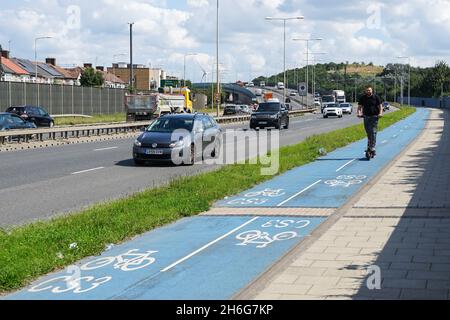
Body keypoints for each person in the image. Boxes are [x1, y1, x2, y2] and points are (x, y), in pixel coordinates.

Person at [357, 86, 383, 158]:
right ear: (365, 91)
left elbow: (380, 106)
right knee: (368, 132)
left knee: (373, 132)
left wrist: (380, 113)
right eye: (367, 90)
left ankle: (372, 147)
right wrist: (359, 113)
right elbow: (359, 107)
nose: (368, 91)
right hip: (366, 117)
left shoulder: (376, 97)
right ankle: (369, 146)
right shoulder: (363, 98)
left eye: (369, 90)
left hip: (374, 117)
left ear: (372, 91)